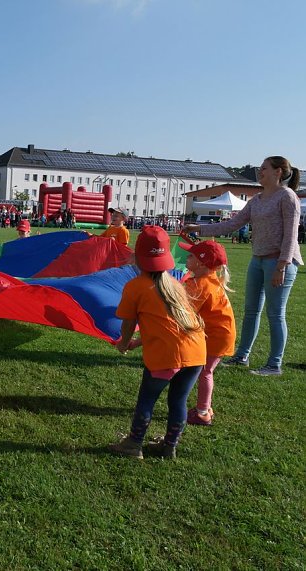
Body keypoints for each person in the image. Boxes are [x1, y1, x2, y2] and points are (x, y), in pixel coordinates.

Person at [183, 156, 302, 376]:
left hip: (279, 261)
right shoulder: (256, 200)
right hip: (257, 260)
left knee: (275, 314)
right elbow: (233, 223)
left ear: (278, 172)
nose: (260, 172)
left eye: (264, 168)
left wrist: (282, 265)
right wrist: (198, 229)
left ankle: (274, 364)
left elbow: (291, 235)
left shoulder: (287, 197)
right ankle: (242, 356)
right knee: (251, 311)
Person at [109, 226, 206, 459]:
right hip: (196, 353)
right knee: (178, 401)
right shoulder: (175, 284)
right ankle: (169, 446)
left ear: (137, 257)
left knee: (147, 399)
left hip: (166, 357)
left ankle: (134, 444)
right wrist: (138, 344)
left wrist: (124, 343)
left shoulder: (135, 286)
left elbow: (128, 324)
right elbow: (171, 328)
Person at [178, 240, 236, 426]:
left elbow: (183, 312)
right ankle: (205, 407)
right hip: (219, 334)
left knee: (205, 371)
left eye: (190, 256)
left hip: (216, 337)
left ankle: (203, 412)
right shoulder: (207, 279)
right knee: (206, 371)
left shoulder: (201, 284)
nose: (186, 258)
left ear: (201, 263)